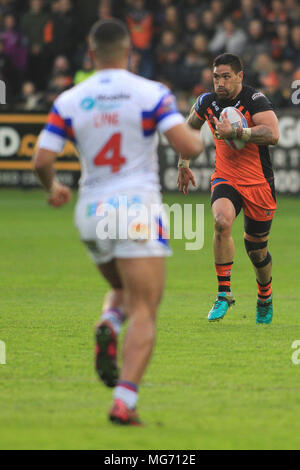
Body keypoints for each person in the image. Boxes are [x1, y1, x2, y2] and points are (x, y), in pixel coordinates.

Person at [33, 19, 204, 425]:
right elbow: (186, 145)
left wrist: (53, 187)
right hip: (136, 208)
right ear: (130, 52)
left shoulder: (71, 98)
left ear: (90, 55)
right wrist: (202, 138)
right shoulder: (150, 93)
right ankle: (123, 401)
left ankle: (110, 319)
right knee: (146, 306)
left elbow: (41, 160)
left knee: (120, 288)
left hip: (91, 212)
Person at [177, 53, 279, 324]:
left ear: (239, 76)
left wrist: (239, 133)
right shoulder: (207, 102)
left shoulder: (253, 100)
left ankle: (264, 296)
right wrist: (183, 162)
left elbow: (272, 134)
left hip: (258, 184)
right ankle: (224, 294)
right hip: (226, 178)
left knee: (257, 251)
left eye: (226, 77)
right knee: (221, 222)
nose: (219, 83)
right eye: (215, 77)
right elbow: (190, 126)